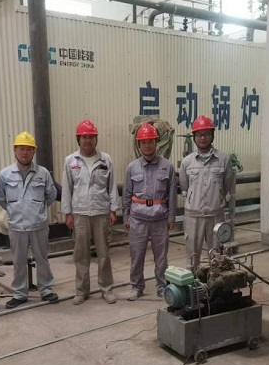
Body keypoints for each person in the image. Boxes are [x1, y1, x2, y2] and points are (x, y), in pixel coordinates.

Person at [0, 131, 58, 308]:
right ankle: (20, 293)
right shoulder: (5, 174)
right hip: (17, 225)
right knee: (19, 260)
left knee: (42, 259)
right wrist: (15, 210)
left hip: (38, 224)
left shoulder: (43, 173)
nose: (25, 152)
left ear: (34, 152)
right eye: (21, 148)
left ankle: (46, 289)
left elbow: (51, 194)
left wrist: (37, 210)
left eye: (29, 149)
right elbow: (0, 197)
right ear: (15, 150)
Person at [61, 120, 119, 305]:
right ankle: (81, 290)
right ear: (78, 139)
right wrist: (68, 213)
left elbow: (112, 186)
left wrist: (113, 209)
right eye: (84, 137)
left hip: (101, 212)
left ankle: (107, 289)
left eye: (91, 137)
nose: (87, 140)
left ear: (96, 139)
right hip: (80, 213)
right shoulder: (70, 161)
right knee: (81, 254)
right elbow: (67, 189)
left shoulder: (106, 160)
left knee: (104, 253)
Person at [123, 124, 177, 301]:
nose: (147, 145)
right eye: (143, 142)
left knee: (161, 257)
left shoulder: (167, 166)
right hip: (137, 219)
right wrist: (126, 217)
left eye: (150, 141)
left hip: (160, 218)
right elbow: (127, 194)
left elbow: (172, 194)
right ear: (139, 145)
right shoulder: (132, 168)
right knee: (136, 255)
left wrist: (171, 217)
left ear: (156, 142)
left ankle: (162, 286)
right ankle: (136, 286)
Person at [179, 115, 235, 271]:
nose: (202, 138)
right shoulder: (187, 162)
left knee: (217, 258)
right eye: (199, 134)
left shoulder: (224, 160)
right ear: (194, 137)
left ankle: (216, 284)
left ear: (212, 135)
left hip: (216, 215)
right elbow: (185, 186)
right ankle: (193, 283)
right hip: (193, 216)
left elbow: (227, 185)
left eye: (206, 134)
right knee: (192, 258)